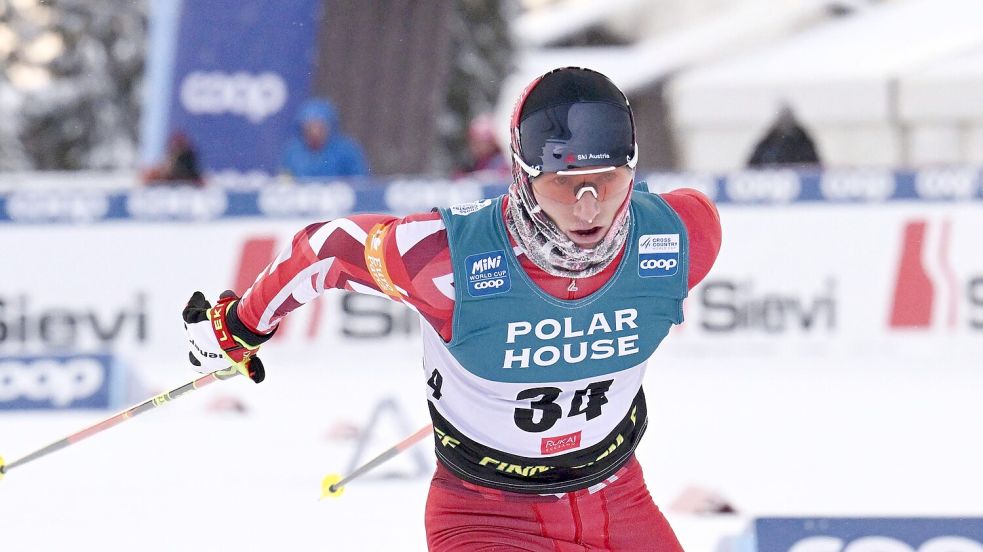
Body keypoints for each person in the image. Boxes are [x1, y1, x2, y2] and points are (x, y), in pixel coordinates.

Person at [183, 67, 721, 551]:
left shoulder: (682, 233)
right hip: (487, 518)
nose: (588, 208)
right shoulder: (444, 257)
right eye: (563, 185)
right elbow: (325, 249)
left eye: (606, 182)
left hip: (618, 504)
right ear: (524, 178)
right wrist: (242, 323)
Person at [280, 97, 369, 179]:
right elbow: (284, 181)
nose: (314, 132)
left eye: (319, 127)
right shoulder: (292, 152)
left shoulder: (347, 150)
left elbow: (360, 182)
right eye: (310, 127)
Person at [747, 103, 822, 168]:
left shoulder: (803, 140)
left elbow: (813, 165)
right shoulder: (769, 141)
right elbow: (753, 165)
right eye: (783, 118)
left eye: (788, 118)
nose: (785, 122)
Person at [456, 112, 509, 178]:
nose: (475, 146)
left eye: (480, 143)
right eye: (474, 142)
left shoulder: (499, 163)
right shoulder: (473, 163)